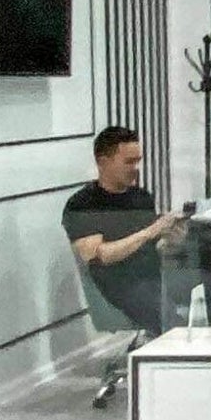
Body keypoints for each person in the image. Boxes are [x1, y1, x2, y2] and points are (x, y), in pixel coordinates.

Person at [65, 126, 188, 331]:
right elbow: (101, 255)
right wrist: (150, 231)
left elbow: (153, 248)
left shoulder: (141, 197)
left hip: (153, 279)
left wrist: (173, 239)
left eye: (137, 161)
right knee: (173, 324)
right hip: (121, 286)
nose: (135, 169)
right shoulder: (83, 205)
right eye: (129, 162)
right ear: (103, 163)